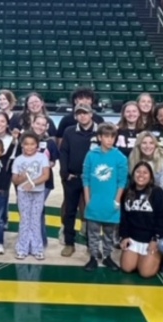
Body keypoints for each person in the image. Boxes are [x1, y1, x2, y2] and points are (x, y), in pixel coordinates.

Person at [82, 122, 128, 272]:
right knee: (93, 233)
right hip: (94, 201)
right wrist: (88, 200)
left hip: (111, 202)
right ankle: (93, 257)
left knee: (109, 233)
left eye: (112, 137)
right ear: (99, 137)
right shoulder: (91, 155)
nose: (109, 140)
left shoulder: (120, 157)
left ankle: (107, 256)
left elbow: (122, 182)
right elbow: (86, 178)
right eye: (106, 136)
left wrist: (116, 200)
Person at [59, 103, 99, 257]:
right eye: (79, 113)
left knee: (91, 212)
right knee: (69, 212)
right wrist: (64, 173)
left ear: (91, 114)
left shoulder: (99, 131)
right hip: (73, 178)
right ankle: (70, 243)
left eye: (85, 113)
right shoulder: (69, 131)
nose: (82, 116)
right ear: (76, 116)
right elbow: (64, 152)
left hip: (93, 180)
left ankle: (92, 244)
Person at [119, 161, 163, 278]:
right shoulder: (128, 192)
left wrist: (155, 239)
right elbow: (124, 218)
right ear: (133, 174)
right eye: (138, 172)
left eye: (145, 173)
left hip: (151, 239)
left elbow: (161, 218)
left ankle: (159, 257)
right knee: (126, 268)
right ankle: (140, 258)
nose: (141, 175)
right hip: (134, 237)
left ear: (150, 176)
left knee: (145, 273)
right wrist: (124, 236)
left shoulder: (157, 192)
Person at [12, 133, 50, 260]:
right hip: (23, 193)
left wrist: (33, 183)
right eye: (26, 144)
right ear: (22, 145)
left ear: (37, 146)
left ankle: (37, 248)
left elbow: (46, 175)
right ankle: (22, 248)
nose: (29, 147)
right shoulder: (18, 160)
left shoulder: (42, 157)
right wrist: (22, 177)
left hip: (38, 192)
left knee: (35, 220)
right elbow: (15, 180)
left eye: (32, 144)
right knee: (24, 220)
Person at [28, 114, 60, 247]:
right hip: (27, 181)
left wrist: (42, 164)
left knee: (36, 209)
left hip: (44, 181)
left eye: (43, 124)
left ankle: (40, 240)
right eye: (38, 123)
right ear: (33, 124)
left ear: (46, 126)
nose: (40, 126)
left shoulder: (50, 142)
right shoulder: (25, 139)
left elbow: (53, 161)